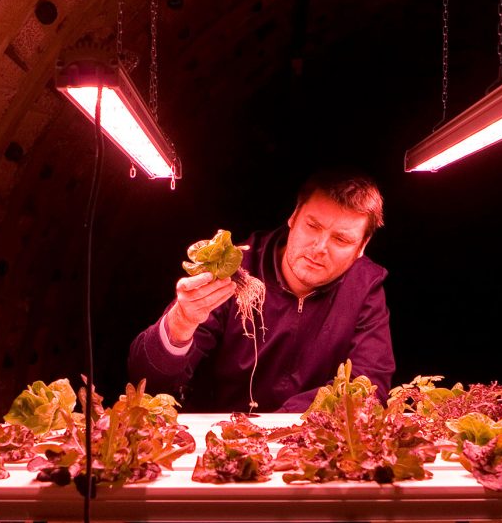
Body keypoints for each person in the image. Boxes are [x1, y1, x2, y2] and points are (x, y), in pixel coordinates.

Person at [128, 168, 395, 414]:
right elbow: (147, 382)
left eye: (341, 239)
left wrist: (281, 427)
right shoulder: (235, 270)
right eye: (312, 226)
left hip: (313, 446)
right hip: (225, 440)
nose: (319, 247)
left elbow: (369, 386)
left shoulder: (365, 285)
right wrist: (180, 324)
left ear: (362, 246)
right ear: (293, 216)